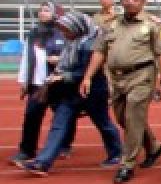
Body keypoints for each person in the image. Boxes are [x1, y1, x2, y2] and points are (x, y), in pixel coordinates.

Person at [80, 0, 161, 184]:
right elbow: (99, 51)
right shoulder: (110, 25)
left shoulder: (156, 24)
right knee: (124, 119)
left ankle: (127, 164)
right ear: (121, 1)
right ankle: (154, 148)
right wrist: (87, 76)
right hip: (115, 78)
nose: (130, 2)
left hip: (142, 75)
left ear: (143, 1)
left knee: (133, 117)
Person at [19, 11, 122, 175]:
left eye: (66, 29)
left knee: (103, 123)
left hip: (92, 91)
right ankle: (42, 163)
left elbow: (86, 72)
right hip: (70, 92)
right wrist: (57, 74)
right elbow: (66, 65)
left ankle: (116, 153)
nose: (64, 33)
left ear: (78, 27)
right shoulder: (71, 42)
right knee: (59, 124)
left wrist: (61, 76)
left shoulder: (90, 45)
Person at [12, 2, 69, 166]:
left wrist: (59, 60)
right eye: (40, 11)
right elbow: (27, 58)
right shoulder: (33, 33)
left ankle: (63, 145)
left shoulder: (64, 32)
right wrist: (24, 81)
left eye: (46, 10)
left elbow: (73, 55)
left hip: (57, 83)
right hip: (37, 84)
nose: (42, 13)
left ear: (56, 13)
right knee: (31, 117)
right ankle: (26, 150)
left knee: (62, 117)